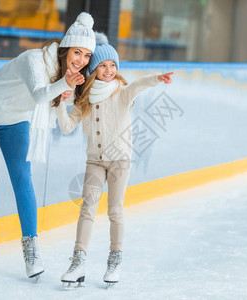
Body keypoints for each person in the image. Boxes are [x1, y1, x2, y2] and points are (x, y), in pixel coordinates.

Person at [0, 12, 95, 279]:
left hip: (14, 120)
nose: (81, 61)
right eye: (77, 53)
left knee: (22, 178)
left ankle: (31, 251)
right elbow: (38, 94)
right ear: (66, 48)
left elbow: (60, 115)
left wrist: (68, 96)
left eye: (87, 56)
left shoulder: (64, 76)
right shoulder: (35, 59)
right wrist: (63, 85)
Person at [55, 32, 173, 287]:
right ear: (94, 68)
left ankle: (115, 259)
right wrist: (59, 104)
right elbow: (66, 127)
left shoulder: (122, 92)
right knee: (87, 209)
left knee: (114, 210)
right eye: (102, 65)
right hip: (95, 161)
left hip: (120, 161)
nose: (109, 70)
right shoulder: (84, 99)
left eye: (113, 65)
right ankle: (78, 261)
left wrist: (156, 79)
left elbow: (137, 86)